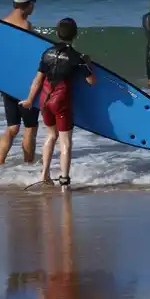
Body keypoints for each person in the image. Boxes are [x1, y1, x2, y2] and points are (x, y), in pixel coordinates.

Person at [19, 18, 96, 188]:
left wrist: (30, 100)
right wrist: (87, 63)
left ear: (57, 33)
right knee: (65, 142)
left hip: (45, 100)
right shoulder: (76, 57)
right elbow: (91, 81)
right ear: (75, 34)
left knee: (51, 135)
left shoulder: (46, 53)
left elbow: (38, 80)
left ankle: (44, 175)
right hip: (61, 101)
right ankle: (64, 181)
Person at [0, 0, 40, 165]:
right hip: (24, 84)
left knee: (12, 127)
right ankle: (28, 166)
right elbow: (28, 56)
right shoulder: (25, 26)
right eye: (33, 3)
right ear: (28, 4)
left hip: (6, 82)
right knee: (30, 127)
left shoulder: (2, 22)